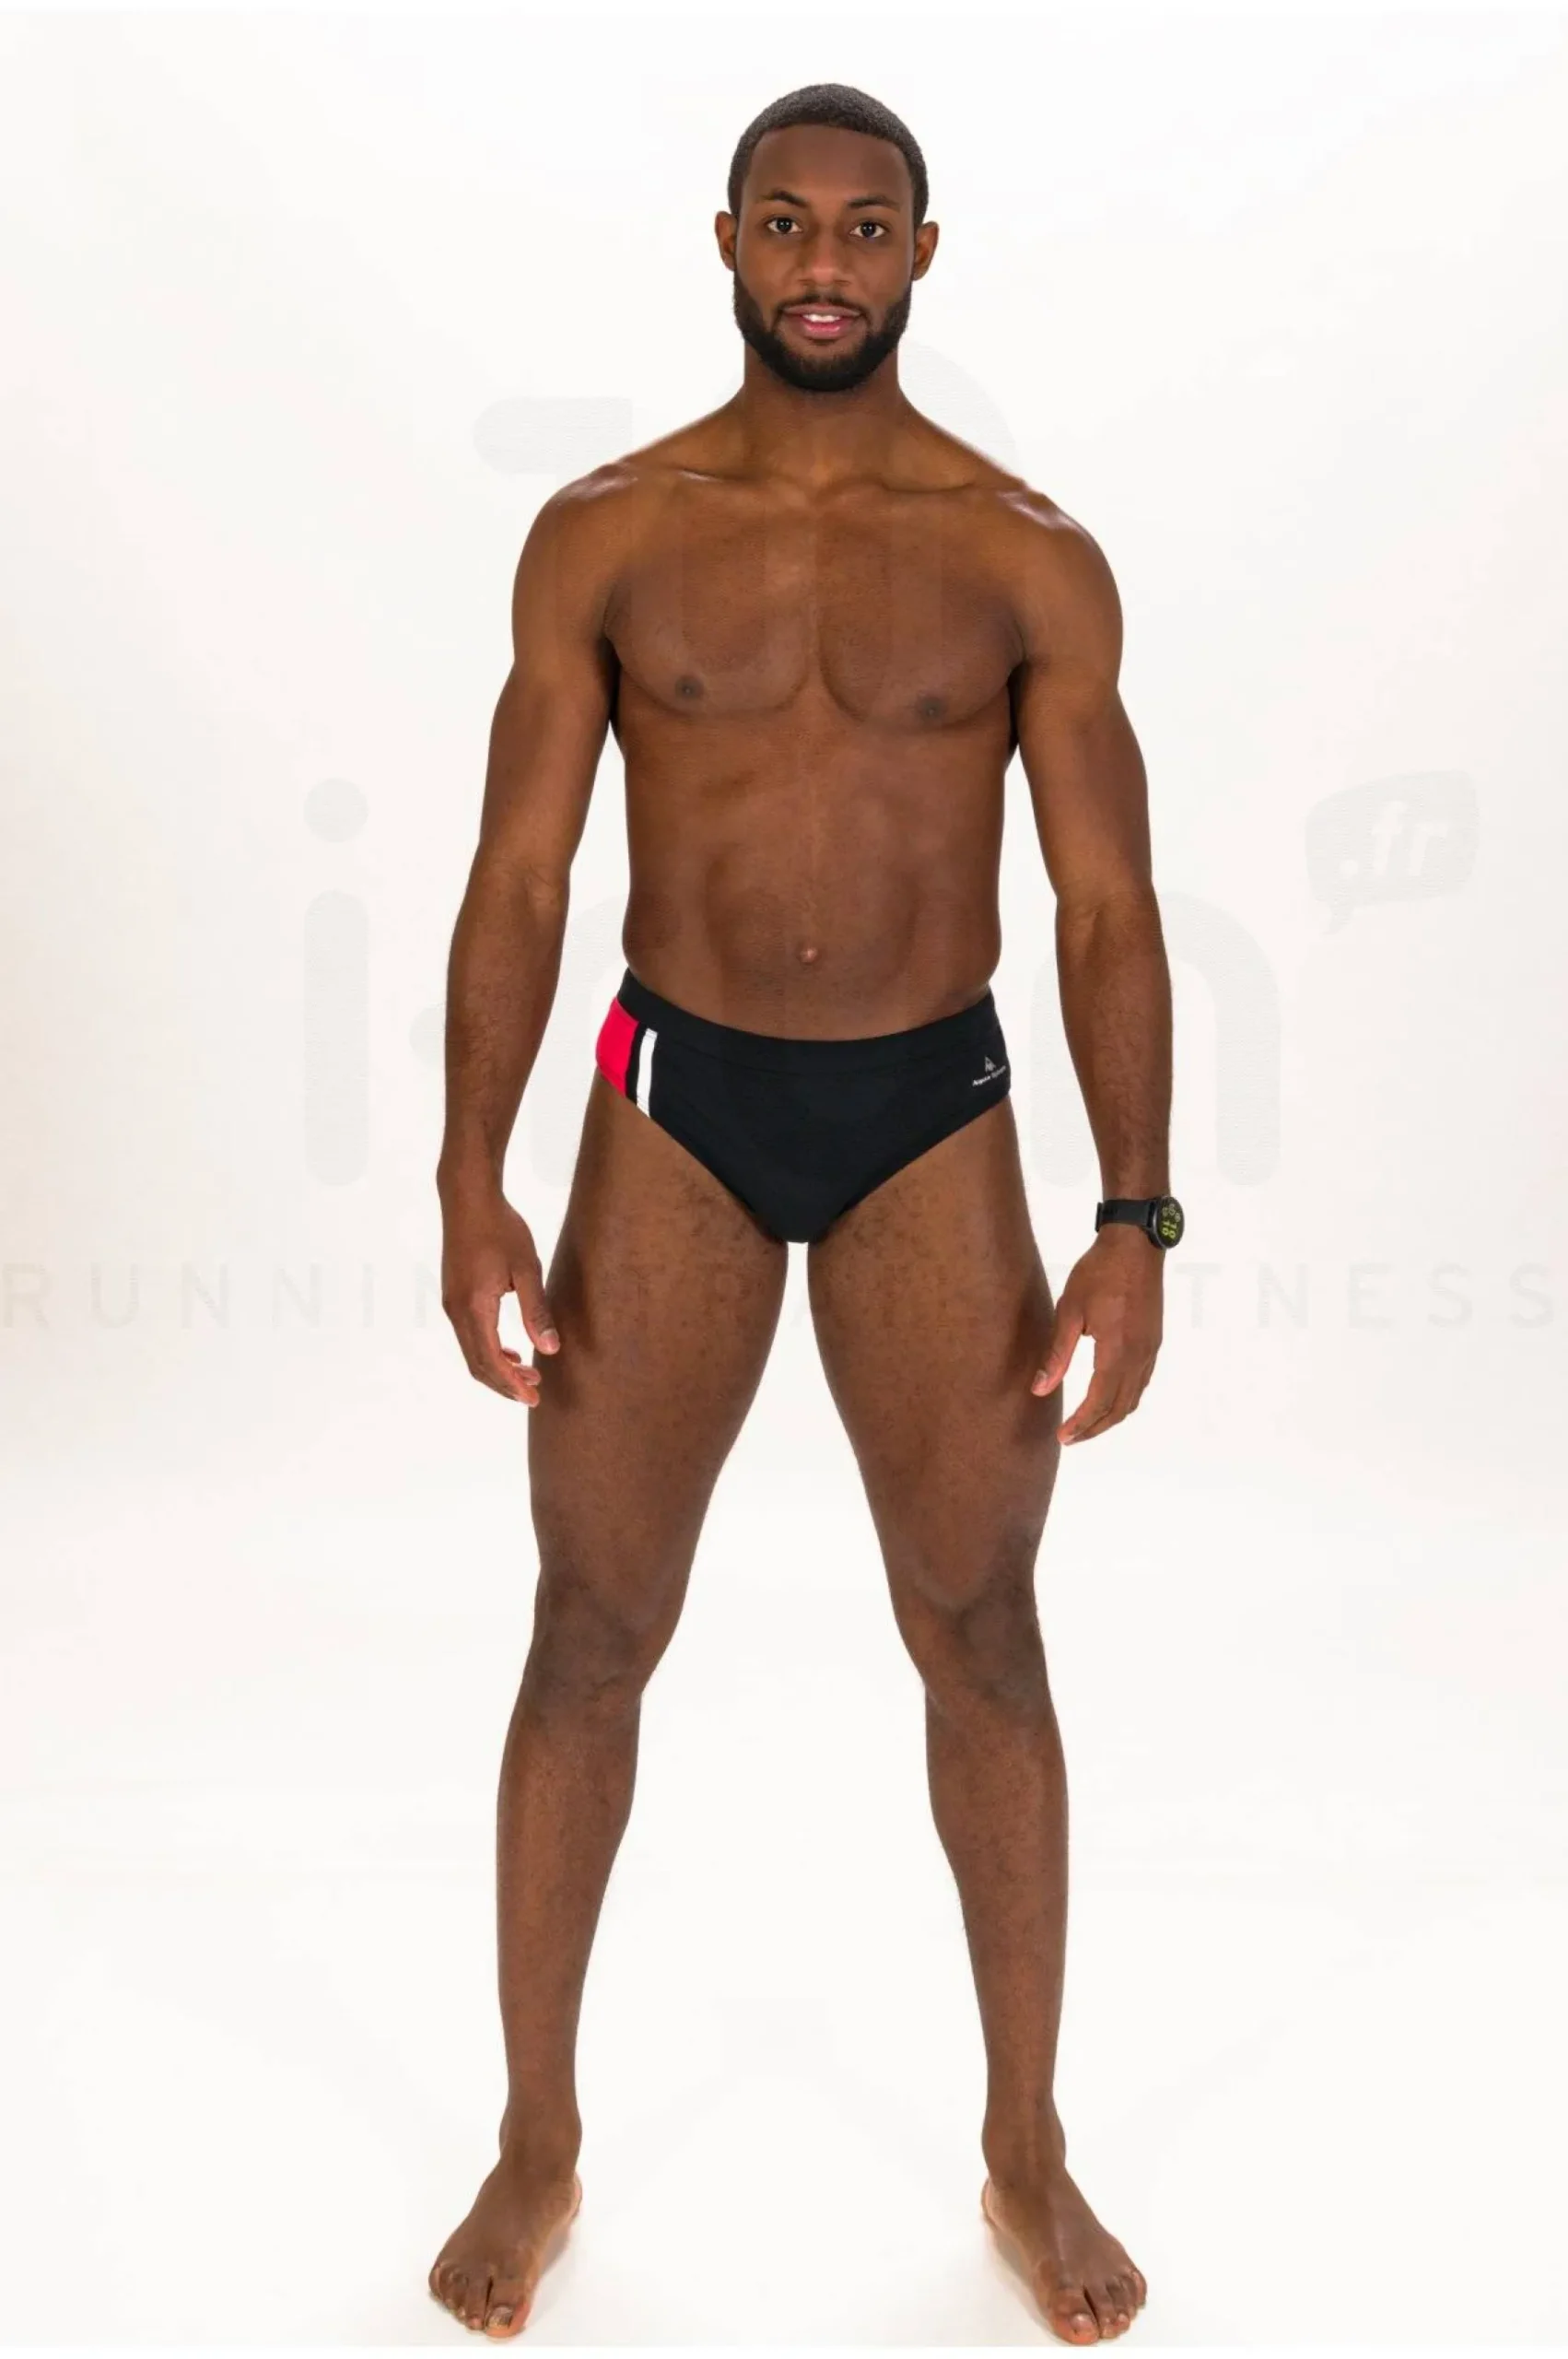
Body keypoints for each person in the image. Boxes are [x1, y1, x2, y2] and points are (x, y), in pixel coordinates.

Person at [428, 81, 1180, 2344]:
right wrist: (467, 1172)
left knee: (981, 1630)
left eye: (864, 227)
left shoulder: (1025, 556)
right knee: (587, 1623)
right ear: (727, 243)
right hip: (673, 1103)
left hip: (926, 1119)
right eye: (785, 223)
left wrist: (1133, 1214)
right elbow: (522, 874)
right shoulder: (605, 534)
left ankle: (1022, 2145)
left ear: (921, 254)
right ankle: (535, 2137)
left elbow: (1108, 905)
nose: (822, 262)